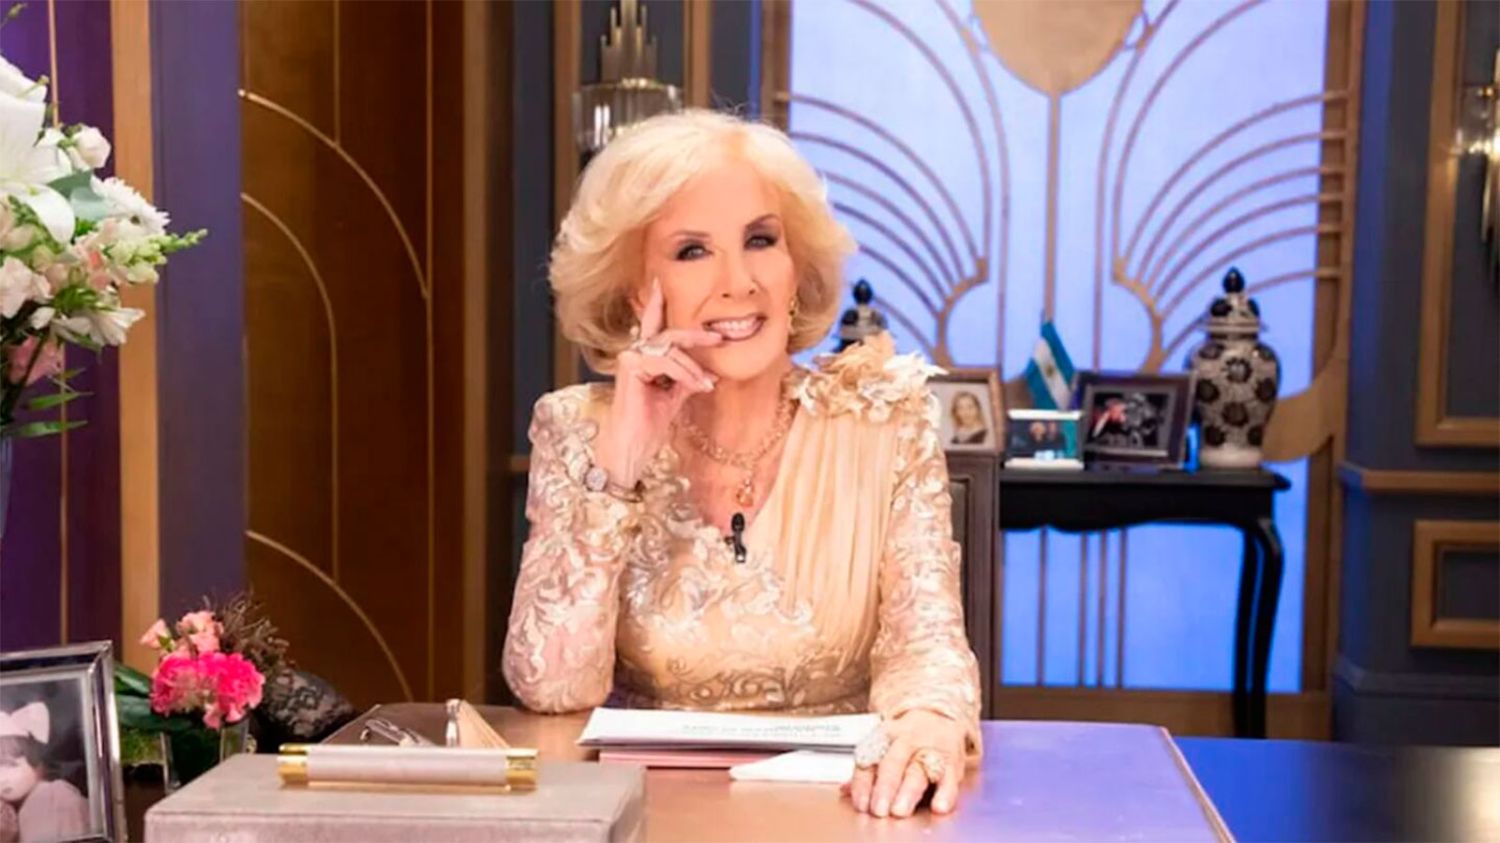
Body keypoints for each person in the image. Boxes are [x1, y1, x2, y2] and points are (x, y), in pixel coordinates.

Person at [502, 110, 981, 819]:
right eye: (692, 251)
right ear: (636, 290)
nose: (738, 282)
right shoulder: (579, 429)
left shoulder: (885, 424)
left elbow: (927, 650)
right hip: (644, 818)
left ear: (795, 268)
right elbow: (551, 685)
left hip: (844, 816)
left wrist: (928, 722)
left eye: (761, 240)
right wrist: (620, 468)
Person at [0, 703, 90, 842]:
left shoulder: (50, 797)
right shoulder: (22, 809)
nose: (2, 779)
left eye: (11, 765)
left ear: (36, 760)